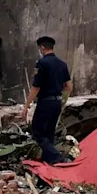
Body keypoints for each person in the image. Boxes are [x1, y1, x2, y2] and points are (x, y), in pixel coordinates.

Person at [23, 35, 72, 164]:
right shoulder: (62, 64)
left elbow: (36, 88)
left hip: (45, 102)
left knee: (38, 133)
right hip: (57, 102)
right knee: (49, 132)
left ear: (42, 48)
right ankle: (48, 159)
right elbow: (69, 87)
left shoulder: (42, 64)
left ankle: (57, 157)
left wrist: (26, 105)